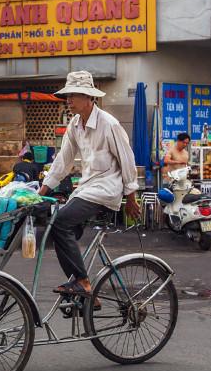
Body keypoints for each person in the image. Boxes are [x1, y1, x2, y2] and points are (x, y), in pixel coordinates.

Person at [38, 70, 141, 297]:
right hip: (85, 188)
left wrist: (131, 197)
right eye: (68, 96)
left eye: (74, 95)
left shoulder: (109, 124)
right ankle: (83, 293)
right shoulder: (75, 125)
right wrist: (42, 191)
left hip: (106, 190)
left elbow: (127, 159)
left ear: (89, 98)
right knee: (60, 230)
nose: (69, 101)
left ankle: (83, 282)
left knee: (61, 223)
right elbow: (62, 162)